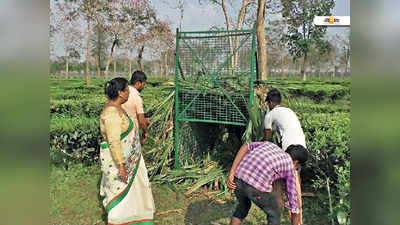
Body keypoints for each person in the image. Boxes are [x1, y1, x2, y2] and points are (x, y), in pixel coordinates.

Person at [99, 77, 155, 225]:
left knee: (134, 191)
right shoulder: (111, 113)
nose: (129, 94)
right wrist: (122, 165)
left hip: (129, 159)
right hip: (119, 161)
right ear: (120, 93)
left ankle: (136, 217)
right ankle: (119, 220)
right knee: (120, 191)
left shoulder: (118, 108)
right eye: (127, 91)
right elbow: (114, 141)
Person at [227, 142, 308, 225]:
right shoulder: (290, 167)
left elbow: (246, 145)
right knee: (274, 214)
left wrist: (232, 172)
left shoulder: (269, 144)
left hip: (238, 178)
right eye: (298, 167)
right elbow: (293, 203)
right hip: (255, 187)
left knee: (243, 206)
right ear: (296, 163)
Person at [263, 88, 307, 222]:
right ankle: (298, 215)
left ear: (270, 103)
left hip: (292, 151)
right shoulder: (289, 111)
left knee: (278, 179)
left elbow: (266, 141)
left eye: (268, 104)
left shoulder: (269, 115)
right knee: (296, 182)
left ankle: (280, 210)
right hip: (304, 150)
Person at [122, 70, 150, 144]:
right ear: (138, 83)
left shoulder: (122, 92)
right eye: (143, 84)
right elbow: (141, 120)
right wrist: (146, 132)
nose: (144, 87)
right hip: (130, 133)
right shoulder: (136, 97)